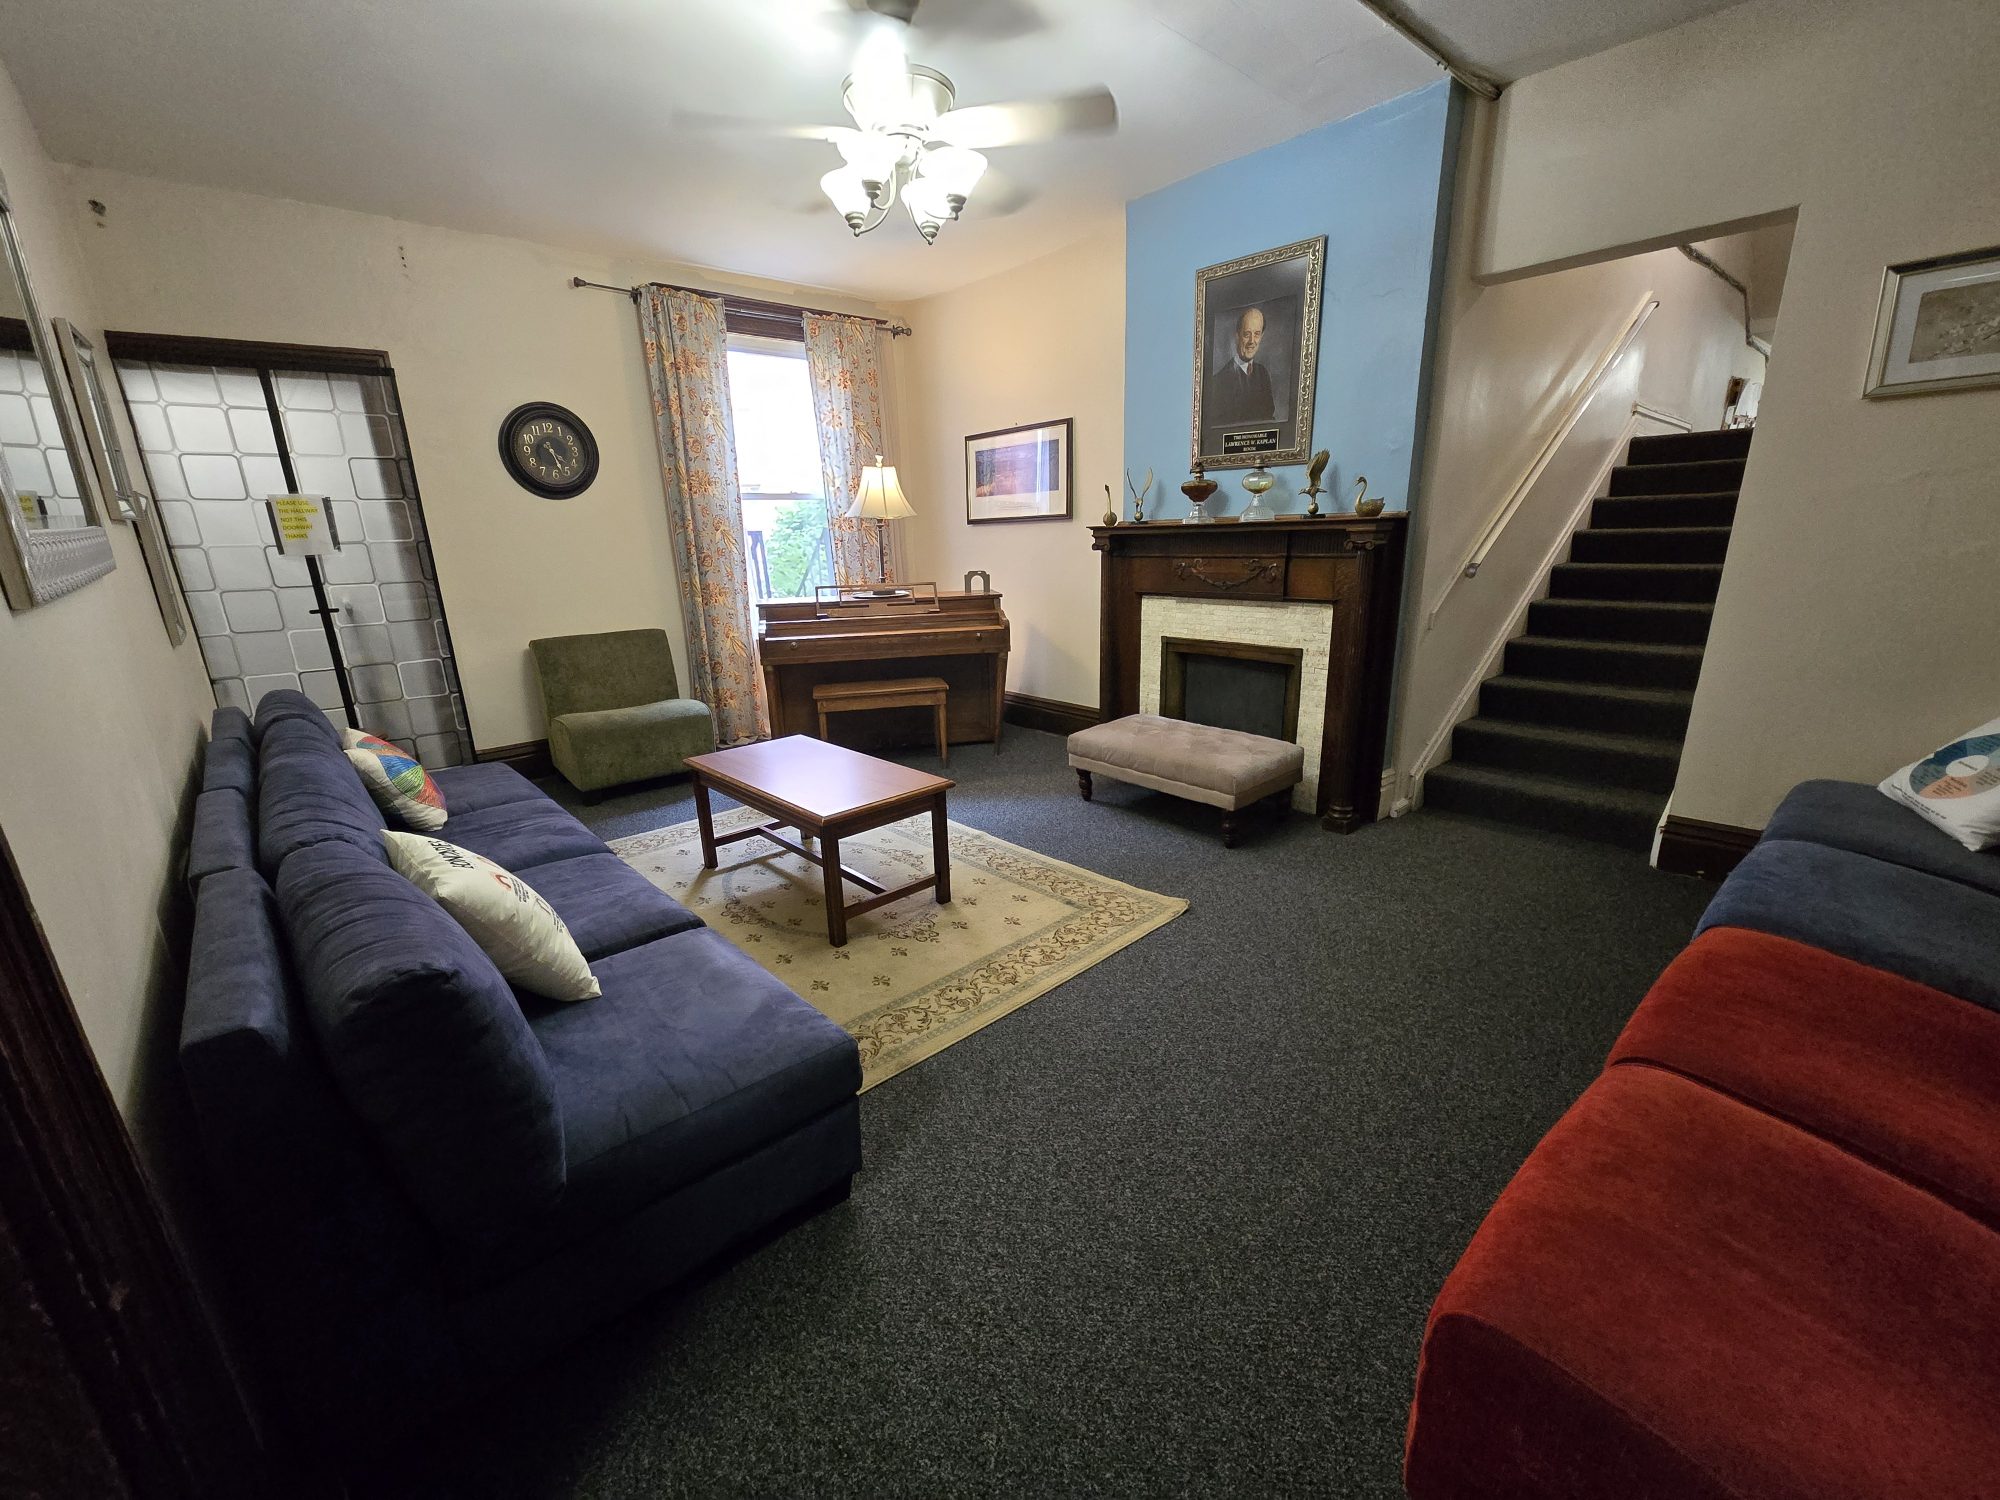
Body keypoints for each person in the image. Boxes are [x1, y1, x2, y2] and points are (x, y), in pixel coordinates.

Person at [1207, 305, 1276, 428]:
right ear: (1237, 336)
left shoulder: (1263, 373)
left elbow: (1269, 419)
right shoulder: (1218, 381)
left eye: (1257, 334)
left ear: (1262, 336)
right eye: (1246, 334)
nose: (1252, 341)